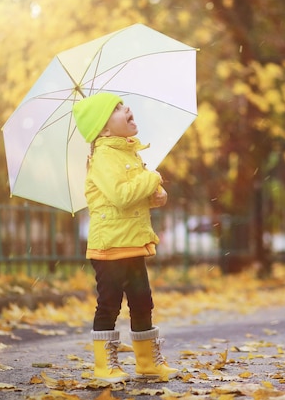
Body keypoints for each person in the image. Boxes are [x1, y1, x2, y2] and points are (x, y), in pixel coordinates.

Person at [73, 92, 178, 383]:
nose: (126, 108)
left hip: (132, 243)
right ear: (104, 129)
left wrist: (155, 196)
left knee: (142, 301)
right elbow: (121, 196)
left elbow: (133, 196)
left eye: (123, 104)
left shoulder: (129, 153)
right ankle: (104, 365)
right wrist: (153, 177)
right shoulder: (104, 157)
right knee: (109, 303)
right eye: (116, 108)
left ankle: (147, 363)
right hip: (109, 246)